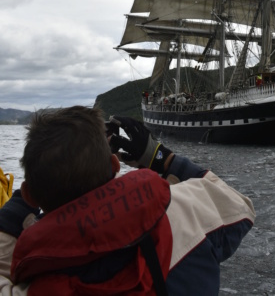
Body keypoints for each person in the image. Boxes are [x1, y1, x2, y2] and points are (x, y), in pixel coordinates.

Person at [0, 106, 255, 295]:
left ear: (32, 193)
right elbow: (237, 205)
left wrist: (14, 211)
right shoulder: (182, 211)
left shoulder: (32, 287)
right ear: (115, 165)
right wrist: (159, 158)